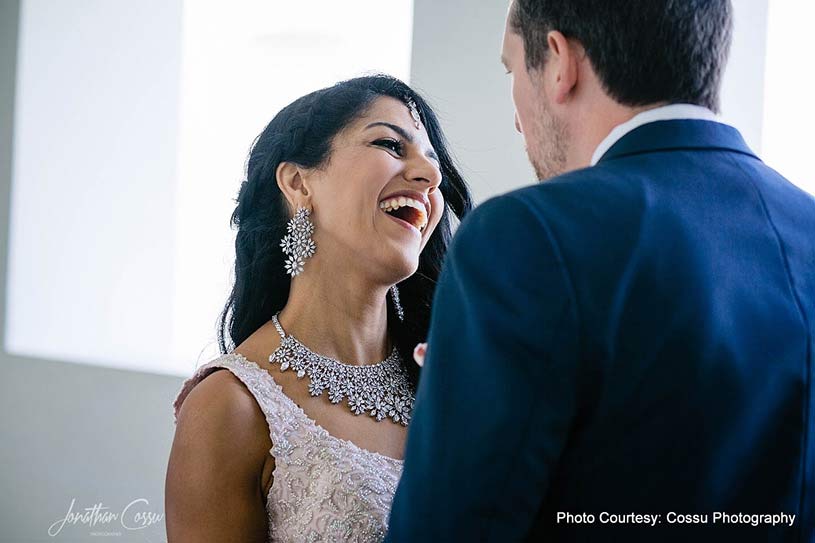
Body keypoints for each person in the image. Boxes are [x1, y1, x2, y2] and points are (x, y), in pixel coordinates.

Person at [387, 1, 815, 541]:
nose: (516, 116)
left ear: (560, 62)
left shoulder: (524, 236)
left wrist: (458, 400)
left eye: (511, 70)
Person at [165, 74, 472, 542]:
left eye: (432, 163)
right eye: (390, 145)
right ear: (298, 182)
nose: (431, 177)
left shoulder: (453, 378)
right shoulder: (231, 406)